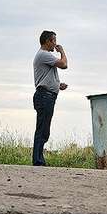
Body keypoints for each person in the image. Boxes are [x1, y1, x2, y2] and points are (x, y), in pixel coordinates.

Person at [32, 30, 68, 166]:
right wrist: (62, 51)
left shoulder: (44, 56)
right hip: (44, 96)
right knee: (42, 129)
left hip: (46, 95)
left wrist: (58, 85)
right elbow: (64, 64)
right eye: (54, 41)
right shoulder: (44, 54)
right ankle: (38, 161)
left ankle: (39, 159)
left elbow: (45, 77)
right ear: (47, 41)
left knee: (44, 129)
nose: (55, 44)